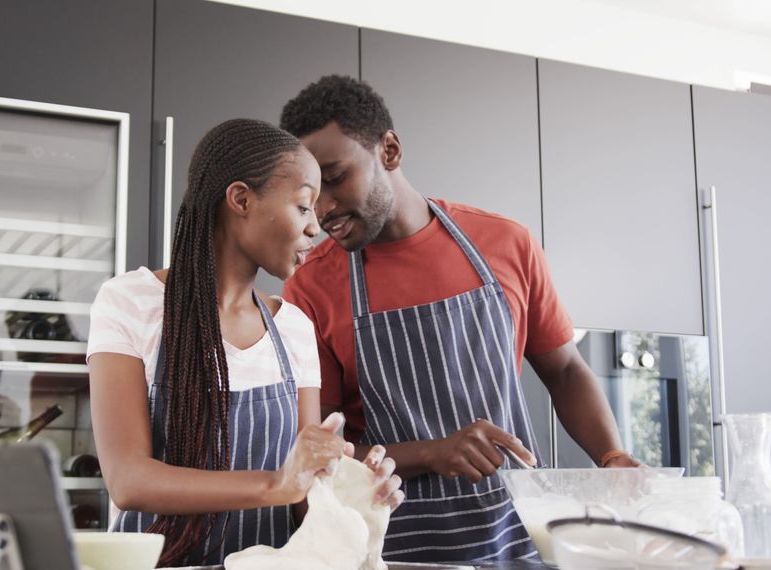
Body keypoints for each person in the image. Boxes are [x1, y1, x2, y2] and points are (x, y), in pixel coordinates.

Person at [280, 76, 640, 563]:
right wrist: (433, 452)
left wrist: (611, 456)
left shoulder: (506, 243)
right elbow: (324, 455)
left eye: (336, 177)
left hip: (518, 533)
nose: (322, 210)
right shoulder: (311, 287)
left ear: (389, 150)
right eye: (312, 191)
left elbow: (566, 370)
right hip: (395, 547)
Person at [86, 119, 404, 567]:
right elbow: (129, 480)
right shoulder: (130, 303)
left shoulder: (294, 328)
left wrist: (352, 490)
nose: (316, 227)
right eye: (302, 206)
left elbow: (302, 494)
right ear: (241, 199)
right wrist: (277, 483)